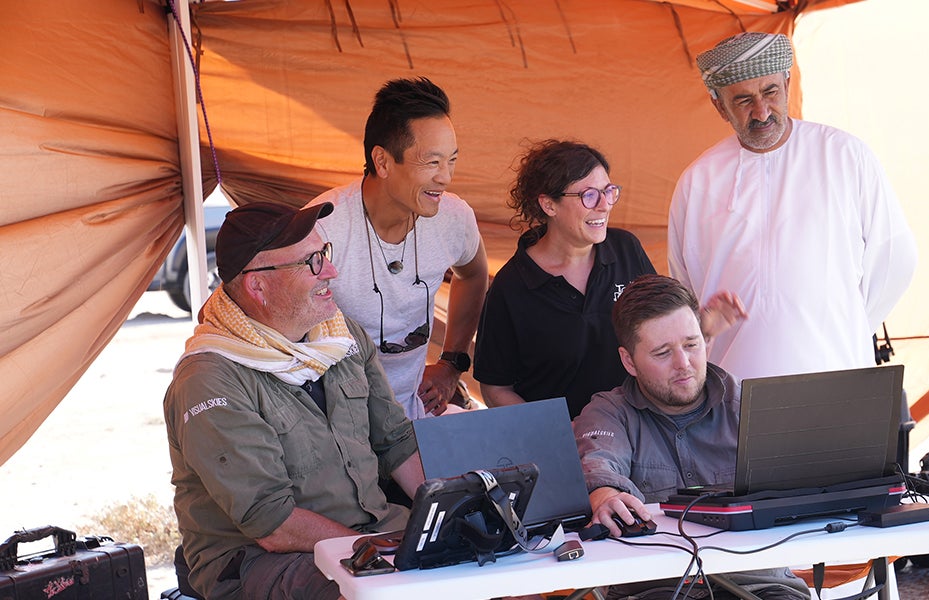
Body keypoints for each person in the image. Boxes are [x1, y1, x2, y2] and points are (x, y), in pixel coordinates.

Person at [164, 202, 425, 600]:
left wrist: (445, 516)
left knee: (489, 565)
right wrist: (378, 554)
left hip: (370, 534)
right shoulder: (211, 377)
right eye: (312, 262)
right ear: (258, 286)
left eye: (326, 254)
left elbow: (395, 443)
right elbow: (273, 525)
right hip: (258, 559)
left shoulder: (339, 335)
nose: (331, 272)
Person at [668, 32, 918, 380]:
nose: (761, 111)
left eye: (770, 92)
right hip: (732, 385)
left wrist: (842, 323)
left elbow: (894, 260)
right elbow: (686, 284)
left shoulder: (845, 155)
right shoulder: (697, 181)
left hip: (835, 369)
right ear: (719, 107)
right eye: (743, 100)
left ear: (787, 83)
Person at [573, 274, 810, 600]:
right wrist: (604, 496)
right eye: (662, 353)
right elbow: (597, 463)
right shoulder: (609, 412)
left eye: (691, 345)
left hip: (760, 587)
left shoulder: (748, 405)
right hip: (656, 590)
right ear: (629, 361)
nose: (683, 364)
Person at [474, 140, 747, 419]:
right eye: (589, 196)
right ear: (548, 205)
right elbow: (496, 387)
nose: (604, 206)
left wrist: (704, 328)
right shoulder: (511, 286)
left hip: (639, 431)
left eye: (609, 191)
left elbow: (658, 332)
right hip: (563, 445)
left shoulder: (625, 248)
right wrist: (555, 433)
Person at [310, 77, 488, 419]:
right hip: (338, 427)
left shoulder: (454, 217)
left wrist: (452, 362)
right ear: (383, 162)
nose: (446, 177)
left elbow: (474, 274)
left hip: (411, 419)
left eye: (451, 160)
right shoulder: (321, 229)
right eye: (432, 162)